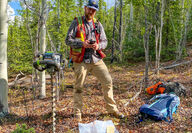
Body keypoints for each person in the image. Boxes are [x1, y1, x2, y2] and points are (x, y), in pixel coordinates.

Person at [65, 0, 124, 121]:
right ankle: (78, 113)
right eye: (89, 8)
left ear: (95, 11)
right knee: (79, 86)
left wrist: (98, 46)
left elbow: (105, 41)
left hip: (96, 58)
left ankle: (112, 109)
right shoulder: (76, 22)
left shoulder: (98, 24)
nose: (91, 11)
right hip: (80, 60)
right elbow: (67, 40)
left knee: (107, 81)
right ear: (85, 8)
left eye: (93, 9)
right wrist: (82, 43)